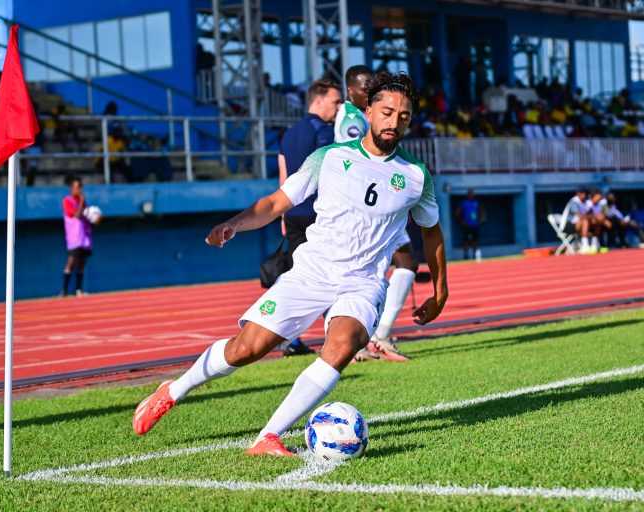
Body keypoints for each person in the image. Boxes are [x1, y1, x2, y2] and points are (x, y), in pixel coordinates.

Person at [133, 71, 449, 457]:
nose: (394, 122)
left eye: (403, 116)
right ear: (367, 112)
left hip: (362, 283)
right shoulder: (329, 158)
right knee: (246, 349)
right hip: (311, 272)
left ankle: (268, 436)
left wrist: (439, 289)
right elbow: (276, 202)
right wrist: (233, 223)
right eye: (387, 112)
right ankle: (173, 390)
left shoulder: (417, 177)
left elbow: (432, 232)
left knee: (344, 342)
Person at [333, 65, 417, 364]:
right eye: (365, 85)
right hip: (368, 205)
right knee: (392, 264)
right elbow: (360, 162)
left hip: (375, 202)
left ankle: (367, 337)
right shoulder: (353, 120)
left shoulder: (360, 114)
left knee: (401, 262)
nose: (370, 89)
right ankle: (372, 336)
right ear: (351, 90)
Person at [275, 78, 341, 356]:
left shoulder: (288, 134)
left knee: (296, 275)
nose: (339, 108)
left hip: (291, 212)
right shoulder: (323, 132)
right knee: (333, 275)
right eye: (336, 102)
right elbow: (331, 173)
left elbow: (284, 177)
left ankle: (286, 336)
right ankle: (337, 338)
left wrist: (281, 214)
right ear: (318, 100)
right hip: (318, 213)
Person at [61, 176, 96, 296]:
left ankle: (78, 290)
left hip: (84, 237)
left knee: (82, 262)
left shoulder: (82, 201)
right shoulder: (67, 201)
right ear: (72, 187)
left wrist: (95, 217)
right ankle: (64, 291)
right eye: (78, 186)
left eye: (81, 186)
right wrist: (81, 201)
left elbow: (84, 215)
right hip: (74, 237)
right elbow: (76, 214)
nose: (80, 189)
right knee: (71, 261)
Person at [560, 188, 591, 253]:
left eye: (585, 193)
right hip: (567, 225)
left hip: (577, 224)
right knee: (585, 221)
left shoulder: (585, 202)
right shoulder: (573, 201)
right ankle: (585, 246)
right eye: (582, 193)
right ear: (578, 194)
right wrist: (592, 217)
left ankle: (594, 243)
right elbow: (581, 216)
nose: (584, 195)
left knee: (591, 222)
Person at [456, 189, 484, 260]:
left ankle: (476, 255)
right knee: (466, 240)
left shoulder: (476, 203)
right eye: (471, 194)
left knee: (475, 240)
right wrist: (462, 221)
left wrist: (480, 219)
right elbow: (457, 212)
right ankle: (466, 255)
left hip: (475, 225)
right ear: (468, 195)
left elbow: (480, 210)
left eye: (473, 194)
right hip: (467, 225)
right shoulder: (464, 203)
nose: (473, 195)